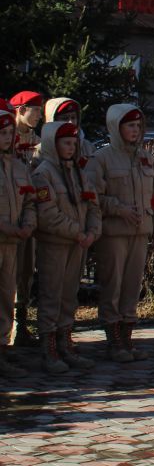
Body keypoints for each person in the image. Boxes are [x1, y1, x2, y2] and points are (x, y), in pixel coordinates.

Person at [88, 105, 154, 362]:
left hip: (140, 232)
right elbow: (93, 196)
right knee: (114, 285)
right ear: (116, 128)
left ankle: (127, 339)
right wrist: (118, 209)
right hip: (114, 233)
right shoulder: (102, 159)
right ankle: (113, 341)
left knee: (133, 286)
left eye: (138, 126)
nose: (135, 130)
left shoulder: (147, 158)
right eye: (129, 125)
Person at [32, 121, 101, 373]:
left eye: (74, 143)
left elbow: (93, 205)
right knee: (51, 295)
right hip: (56, 244)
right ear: (53, 144)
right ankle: (48, 350)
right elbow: (47, 214)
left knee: (69, 295)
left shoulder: (79, 172)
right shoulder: (43, 173)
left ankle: (65, 343)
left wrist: (93, 231)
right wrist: (78, 231)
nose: (71, 148)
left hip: (79, 243)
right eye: (66, 143)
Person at [0, 108, 36, 377]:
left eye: (10, 133)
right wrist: (8, 227)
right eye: (2, 133)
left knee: (6, 296)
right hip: (4, 235)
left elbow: (30, 200)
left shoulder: (19, 167)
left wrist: (27, 223)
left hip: (13, 242)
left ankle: (4, 350)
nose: (6, 138)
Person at [9, 90, 42, 347]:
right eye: (35, 110)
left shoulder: (38, 139)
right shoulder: (8, 136)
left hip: (28, 216)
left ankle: (21, 325)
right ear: (20, 110)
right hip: (7, 218)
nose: (39, 116)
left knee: (26, 271)